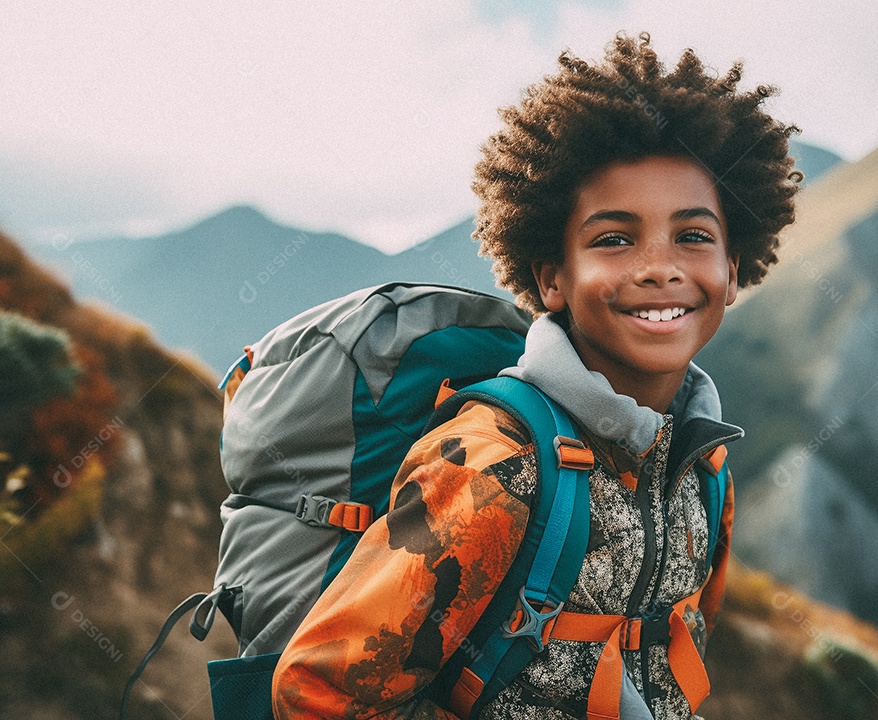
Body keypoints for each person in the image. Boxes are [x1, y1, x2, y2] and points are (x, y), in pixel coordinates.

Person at [272, 31, 799, 720]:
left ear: (733, 270)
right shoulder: (494, 461)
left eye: (693, 236)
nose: (659, 267)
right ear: (551, 277)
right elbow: (317, 693)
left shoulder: (706, 469)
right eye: (614, 238)